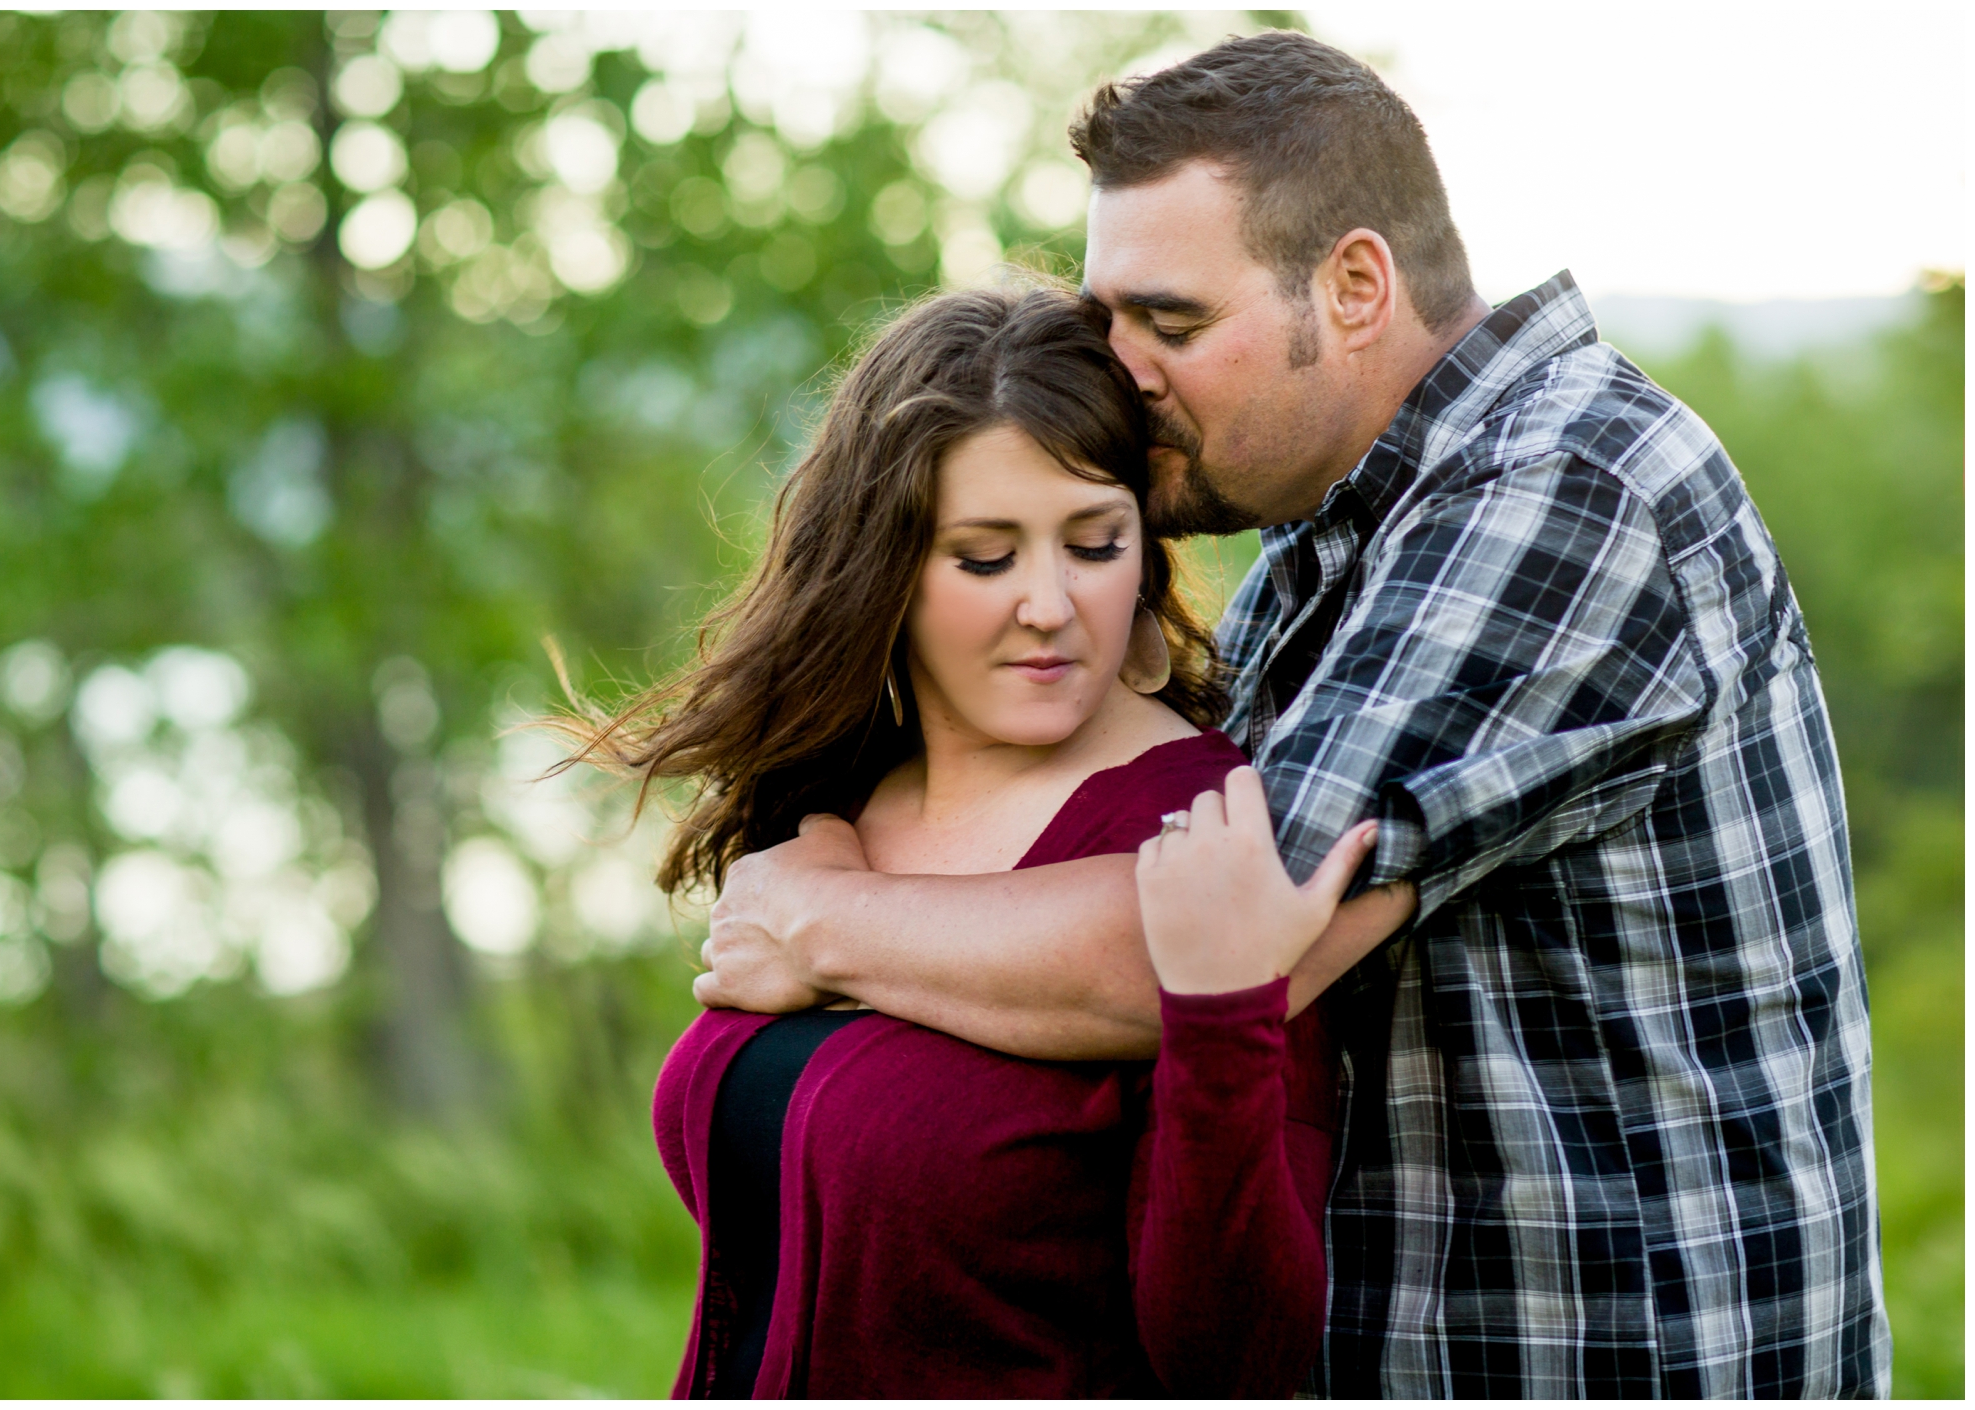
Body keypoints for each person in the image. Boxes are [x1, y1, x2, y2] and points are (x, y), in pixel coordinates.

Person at [693, 29, 1889, 1399]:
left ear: (1358, 284)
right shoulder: (1332, 540)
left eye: (1174, 323)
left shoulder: (1572, 483)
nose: (1122, 372)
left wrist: (821, 917)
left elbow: (1220, 944)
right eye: (1108, 321)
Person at [555, 284, 1402, 1397]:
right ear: (883, 574)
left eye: (1094, 545)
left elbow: (1236, 1354)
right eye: (985, 557)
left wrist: (1217, 1025)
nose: (1048, 604)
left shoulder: (1200, 831)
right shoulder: (832, 819)